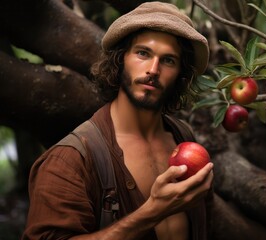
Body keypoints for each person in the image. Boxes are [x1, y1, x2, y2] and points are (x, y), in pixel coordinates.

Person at [22, 1, 214, 240]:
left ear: (180, 75)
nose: (153, 69)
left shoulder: (182, 137)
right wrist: (152, 212)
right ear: (120, 59)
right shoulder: (70, 160)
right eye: (143, 53)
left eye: (168, 60)